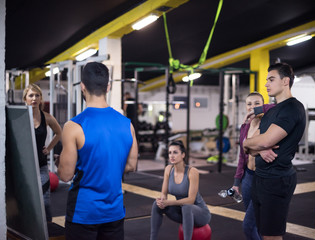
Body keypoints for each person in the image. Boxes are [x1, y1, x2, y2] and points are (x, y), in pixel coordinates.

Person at [58, 62, 138, 240]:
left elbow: (65, 175)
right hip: (114, 212)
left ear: (82, 87)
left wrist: (60, 162)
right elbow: (131, 165)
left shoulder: (73, 126)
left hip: (83, 213)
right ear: (108, 87)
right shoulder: (127, 124)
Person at [243, 63, 306, 240]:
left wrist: (249, 142)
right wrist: (252, 145)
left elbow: (265, 140)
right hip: (260, 178)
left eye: (271, 79)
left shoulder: (293, 108)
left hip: (277, 180)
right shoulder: (272, 111)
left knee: (272, 236)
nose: (266, 84)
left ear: (285, 81)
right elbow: (251, 150)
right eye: (266, 80)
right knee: (262, 233)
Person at [232, 92, 274, 240]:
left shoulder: (269, 123)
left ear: (263, 104)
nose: (252, 107)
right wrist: (237, 182)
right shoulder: (245, 127)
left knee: (248, 226)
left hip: (263, 178)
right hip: (248, 178)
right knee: (256, 223)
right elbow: (242, 157)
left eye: (257, 103)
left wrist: (258, 110)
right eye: (249, 104)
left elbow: (277, 106)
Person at [150, 140, 211, 240]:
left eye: (175, 152)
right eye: (170, 152)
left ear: (183, 155)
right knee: (156, 204)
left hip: (200, 215)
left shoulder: (192, 172)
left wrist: (169, 203)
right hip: (183, 213)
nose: (172, 156)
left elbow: (191, 200)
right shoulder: (168, 169)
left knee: (187, 207)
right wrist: (162, 201)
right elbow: (164, 193)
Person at [23, 83, 62, 222]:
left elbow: (59, 133)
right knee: (27, 199)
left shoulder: (47, 117)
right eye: (31, 95)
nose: (34, 98)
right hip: (24, 166)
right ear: (25, 99)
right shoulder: (20, 117)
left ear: (40, 99)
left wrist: (49, 148)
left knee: (45, 199)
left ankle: (47, 227)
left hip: (41, 164)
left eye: (37, 95)